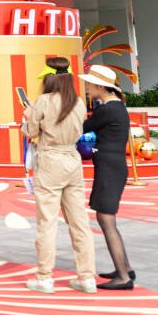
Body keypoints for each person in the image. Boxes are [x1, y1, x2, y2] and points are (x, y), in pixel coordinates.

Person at [22, 71, 97, 293]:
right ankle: (87, 277)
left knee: (47, 222)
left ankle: (44, 277)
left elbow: (31, 131)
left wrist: (28, 116)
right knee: (80, 222)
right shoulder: (78, 102)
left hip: (50, 160)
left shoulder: (43, 101)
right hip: (73, 159)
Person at [81, 64, 134, 290]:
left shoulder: (107, 110)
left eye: (89, 84)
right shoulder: (116, 106)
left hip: (109, 169)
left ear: (101, 86)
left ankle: (123, 277)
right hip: (113, 166)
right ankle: (125, 268)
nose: (87, 87)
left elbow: (81, 127)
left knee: (106, 219)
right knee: (107, 218)